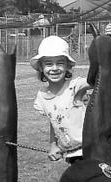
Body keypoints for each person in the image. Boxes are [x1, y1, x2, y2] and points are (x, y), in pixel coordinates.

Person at [30, 33, 100, 163]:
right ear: (41, 67)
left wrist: (110, 44)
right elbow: (54, 121)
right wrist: (53, 145)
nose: (54, 68)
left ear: (68, 66)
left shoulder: (75, 86)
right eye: (49, 64)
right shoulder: (42, 97)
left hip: (91, 151)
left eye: (60, 63)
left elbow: (102, 78)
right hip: (71, 155)